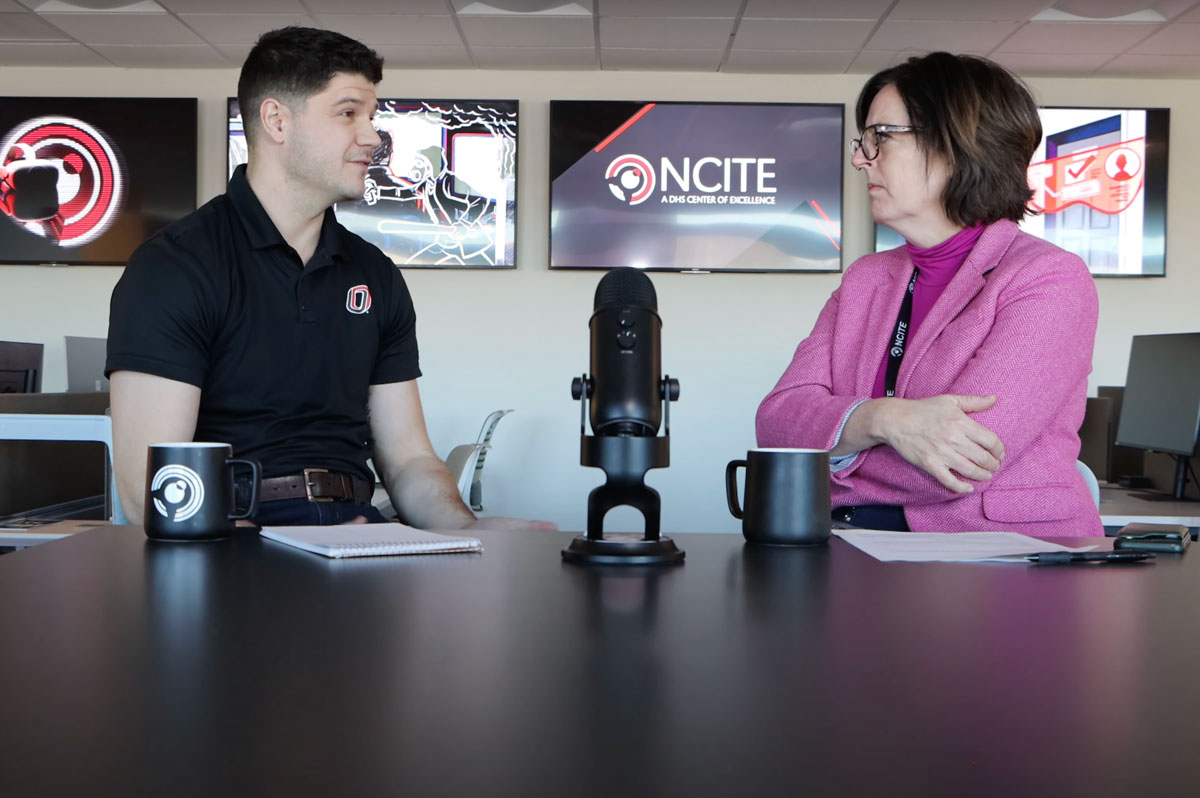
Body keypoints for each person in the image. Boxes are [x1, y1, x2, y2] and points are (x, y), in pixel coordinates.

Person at [106, 26, 552, 532]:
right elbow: (156, 494)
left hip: (355, 529)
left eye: (371, 116)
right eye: (348, 114)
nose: (373, 136)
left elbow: (408, 461)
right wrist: (295, 548)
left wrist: (471, 534)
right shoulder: (175, 268)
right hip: (231, 548)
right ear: (277, 120)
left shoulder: (374, 274)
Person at [756, 52, 1102, 536]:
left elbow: (965, 461)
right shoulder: (866, 279)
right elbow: (777, 423)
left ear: (956, 146)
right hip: (854, 543)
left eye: (880, 138)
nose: (860, 158)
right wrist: (885, 419)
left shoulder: (1048, 278)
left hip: (1004, 563)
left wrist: (832, 458)